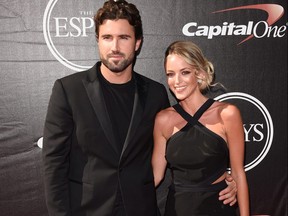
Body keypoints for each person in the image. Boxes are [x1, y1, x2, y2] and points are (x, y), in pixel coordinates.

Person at [42, 1, 237, 215]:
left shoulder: (155, 93)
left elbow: (177, 151)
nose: (115, 47)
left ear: (137, 43)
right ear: (98, 40)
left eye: (124, 37)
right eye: (107, 37)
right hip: (87, 210)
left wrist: (222, 180)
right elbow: (54, 163)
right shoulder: (69, 90)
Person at [152, 41, 249, 216]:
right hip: (177, 209)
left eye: (185, 72)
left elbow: (237, 172)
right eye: (170, 74)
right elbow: (156, 175)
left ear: (199, 73)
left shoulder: (227, 114)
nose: (177, 81)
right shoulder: (163, 119)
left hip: (218, 207)